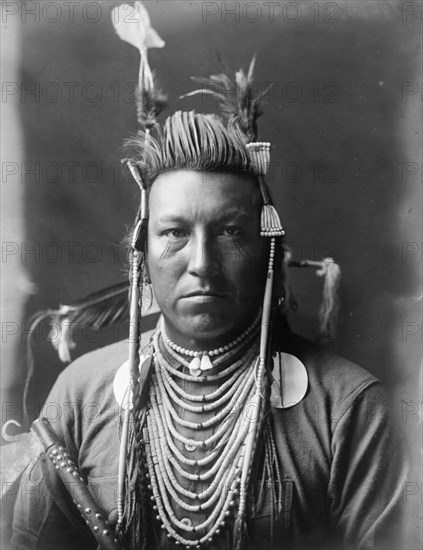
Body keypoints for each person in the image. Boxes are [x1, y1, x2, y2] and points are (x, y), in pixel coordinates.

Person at [9, 3, 407, 550]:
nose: (201, 263)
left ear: (270, 249)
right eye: (174, 233)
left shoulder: (348, 408)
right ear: (141, 254)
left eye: (229, 233)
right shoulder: (82, 394)